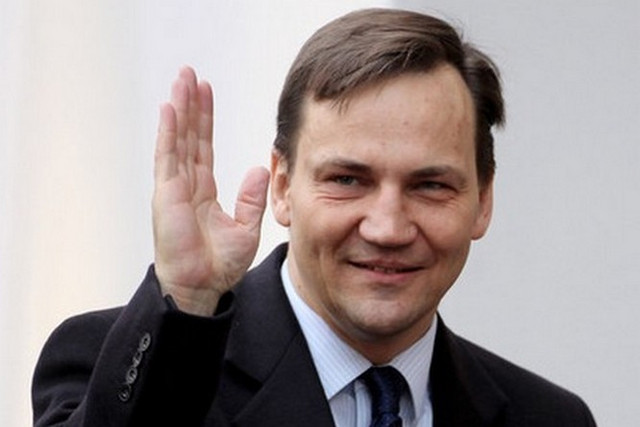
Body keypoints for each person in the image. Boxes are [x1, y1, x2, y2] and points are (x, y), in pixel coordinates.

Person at [32, 8, 597, 427]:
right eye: (347, 180)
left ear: (483, 200)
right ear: (282, 186)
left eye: (430, 186)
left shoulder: (549, 417)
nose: (388, 229)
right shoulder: (115, 365)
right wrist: (188, 299)